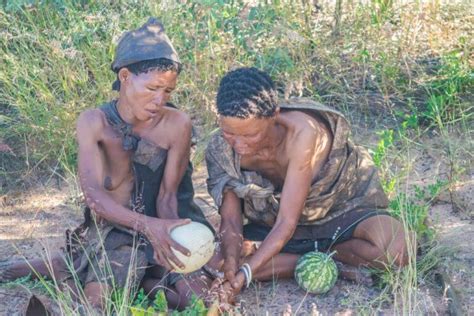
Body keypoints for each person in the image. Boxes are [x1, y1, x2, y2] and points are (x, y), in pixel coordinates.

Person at [0, 18, 214, 311]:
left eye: (168, 92)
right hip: (116, 231)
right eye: (152, 88)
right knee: (97, 303)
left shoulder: (177, 124)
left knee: (200, 300)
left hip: (163, 222)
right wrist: (148, 228)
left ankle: (78, 268)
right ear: (125, 76)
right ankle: (66, 268)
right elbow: (95, 199)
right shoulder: (94, 123)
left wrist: (172, 238)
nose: (160, 100)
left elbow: (167, 197)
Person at [205, 67, 411, 303]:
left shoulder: (303, 133)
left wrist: (247, 273)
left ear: (274, 115)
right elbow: (231, 221)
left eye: (250, 135)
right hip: (272, 226)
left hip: (341, 212)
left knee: (397, 251)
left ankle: (324, 256)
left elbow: (287, 222)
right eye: (229, 133)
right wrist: (231, 267)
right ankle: (311, 262)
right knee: (214, 264)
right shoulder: (220, 150)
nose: (238, 145)